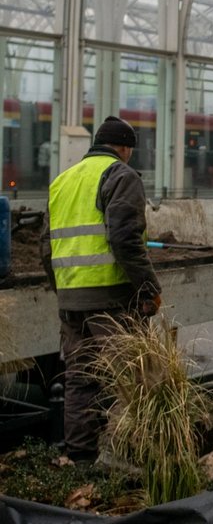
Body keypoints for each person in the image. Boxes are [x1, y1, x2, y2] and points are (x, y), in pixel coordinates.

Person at [40, 115, 162, 463]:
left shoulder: (62, 181)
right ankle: (138, 456)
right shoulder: (121, 176)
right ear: (124, 148)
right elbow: (125, 240)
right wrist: (148, 289)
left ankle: (81, 459)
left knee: (80, 379)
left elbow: (45, 247)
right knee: (137, 376)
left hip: (71, 299)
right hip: (112, 299)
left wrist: (62, 288)